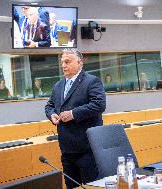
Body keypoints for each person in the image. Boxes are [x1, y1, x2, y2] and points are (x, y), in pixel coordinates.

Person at [45, 48, 106, 189]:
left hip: (87, 148)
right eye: (62, 62)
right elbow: (49, 106)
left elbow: (99, 104)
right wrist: (51, 114)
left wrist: (72, 114)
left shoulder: (92, 81)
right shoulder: (58, 85)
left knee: (91, 186)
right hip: (66, 148)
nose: (63, 65)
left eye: (67, 62)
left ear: (79, 62)